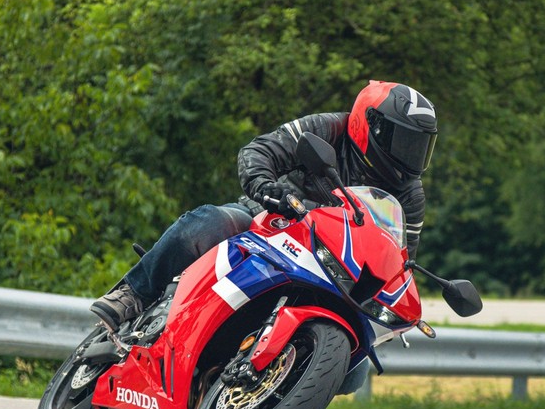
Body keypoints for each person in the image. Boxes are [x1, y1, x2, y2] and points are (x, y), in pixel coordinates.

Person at [90, 80, 438, 330]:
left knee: (354, 371)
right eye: (403, 140)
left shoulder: (409, 194)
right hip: (269, 222)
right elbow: (260, 151)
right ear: (369, 125)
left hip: (330, 268)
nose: (410, 155)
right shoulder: (329, 128)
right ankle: (133, 293)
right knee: (208, 222)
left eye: (419, 145)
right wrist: (266, 188)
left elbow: (399, 257)